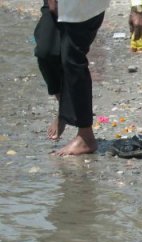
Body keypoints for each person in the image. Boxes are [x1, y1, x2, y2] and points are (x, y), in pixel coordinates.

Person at [34, 0, 110, 156]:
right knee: (45, 52)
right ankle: (64, 108)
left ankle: (86, 136)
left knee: (72, 60)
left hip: (84, 7)